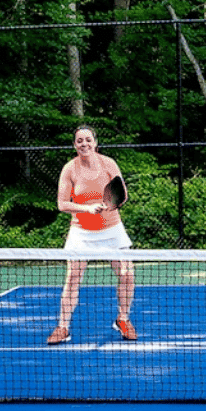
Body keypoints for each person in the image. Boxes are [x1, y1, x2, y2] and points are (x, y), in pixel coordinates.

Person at [48, 125, 137, 344]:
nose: (84, 144)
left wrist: (110, 204)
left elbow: (122, 194)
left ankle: (123, 319)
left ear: (95, 143)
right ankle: (63, 327)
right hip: (81, 231)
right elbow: (61, 204)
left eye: (88, 140)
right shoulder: (69, 169)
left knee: (127, 274)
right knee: (73, 278)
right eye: (79, 141)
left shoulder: (108, 164)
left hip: (111, 228)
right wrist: (86, 208)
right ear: (74, 145)